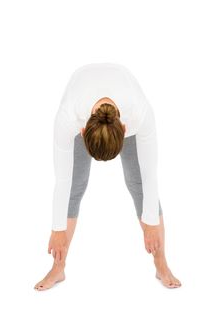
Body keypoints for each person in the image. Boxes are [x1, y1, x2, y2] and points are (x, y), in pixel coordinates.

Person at [34, 62, 181, 291]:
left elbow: (150, 175)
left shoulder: (139, 113)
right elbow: (62, 180)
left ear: (125, 129)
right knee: (75, 186)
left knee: (138, 184)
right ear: (82, 132)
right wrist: (57, 229)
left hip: (125, 104)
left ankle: (161, 264)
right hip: (82, 104)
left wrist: (151, 223)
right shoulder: (68, 117)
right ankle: (58, 268)